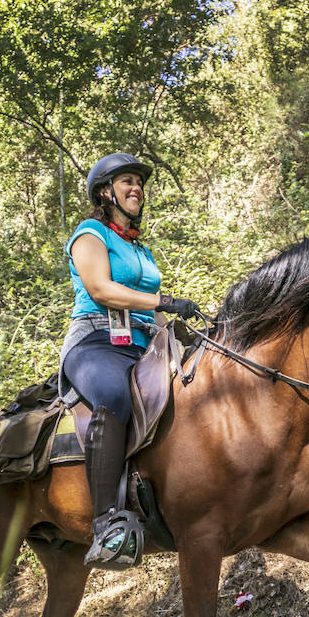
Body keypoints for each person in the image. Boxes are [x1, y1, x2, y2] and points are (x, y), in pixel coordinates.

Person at [59, 152, 200, 570]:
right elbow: (102, 290)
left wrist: (186, 332)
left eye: (139, 181)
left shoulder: (140, 249)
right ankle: (106, 524)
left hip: (142, 344)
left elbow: (148, 312)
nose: (136, 187)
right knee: (115, 396)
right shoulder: (90, 235)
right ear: (106, 192)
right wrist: (166, 300)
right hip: (95, 342)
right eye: (127, 180)